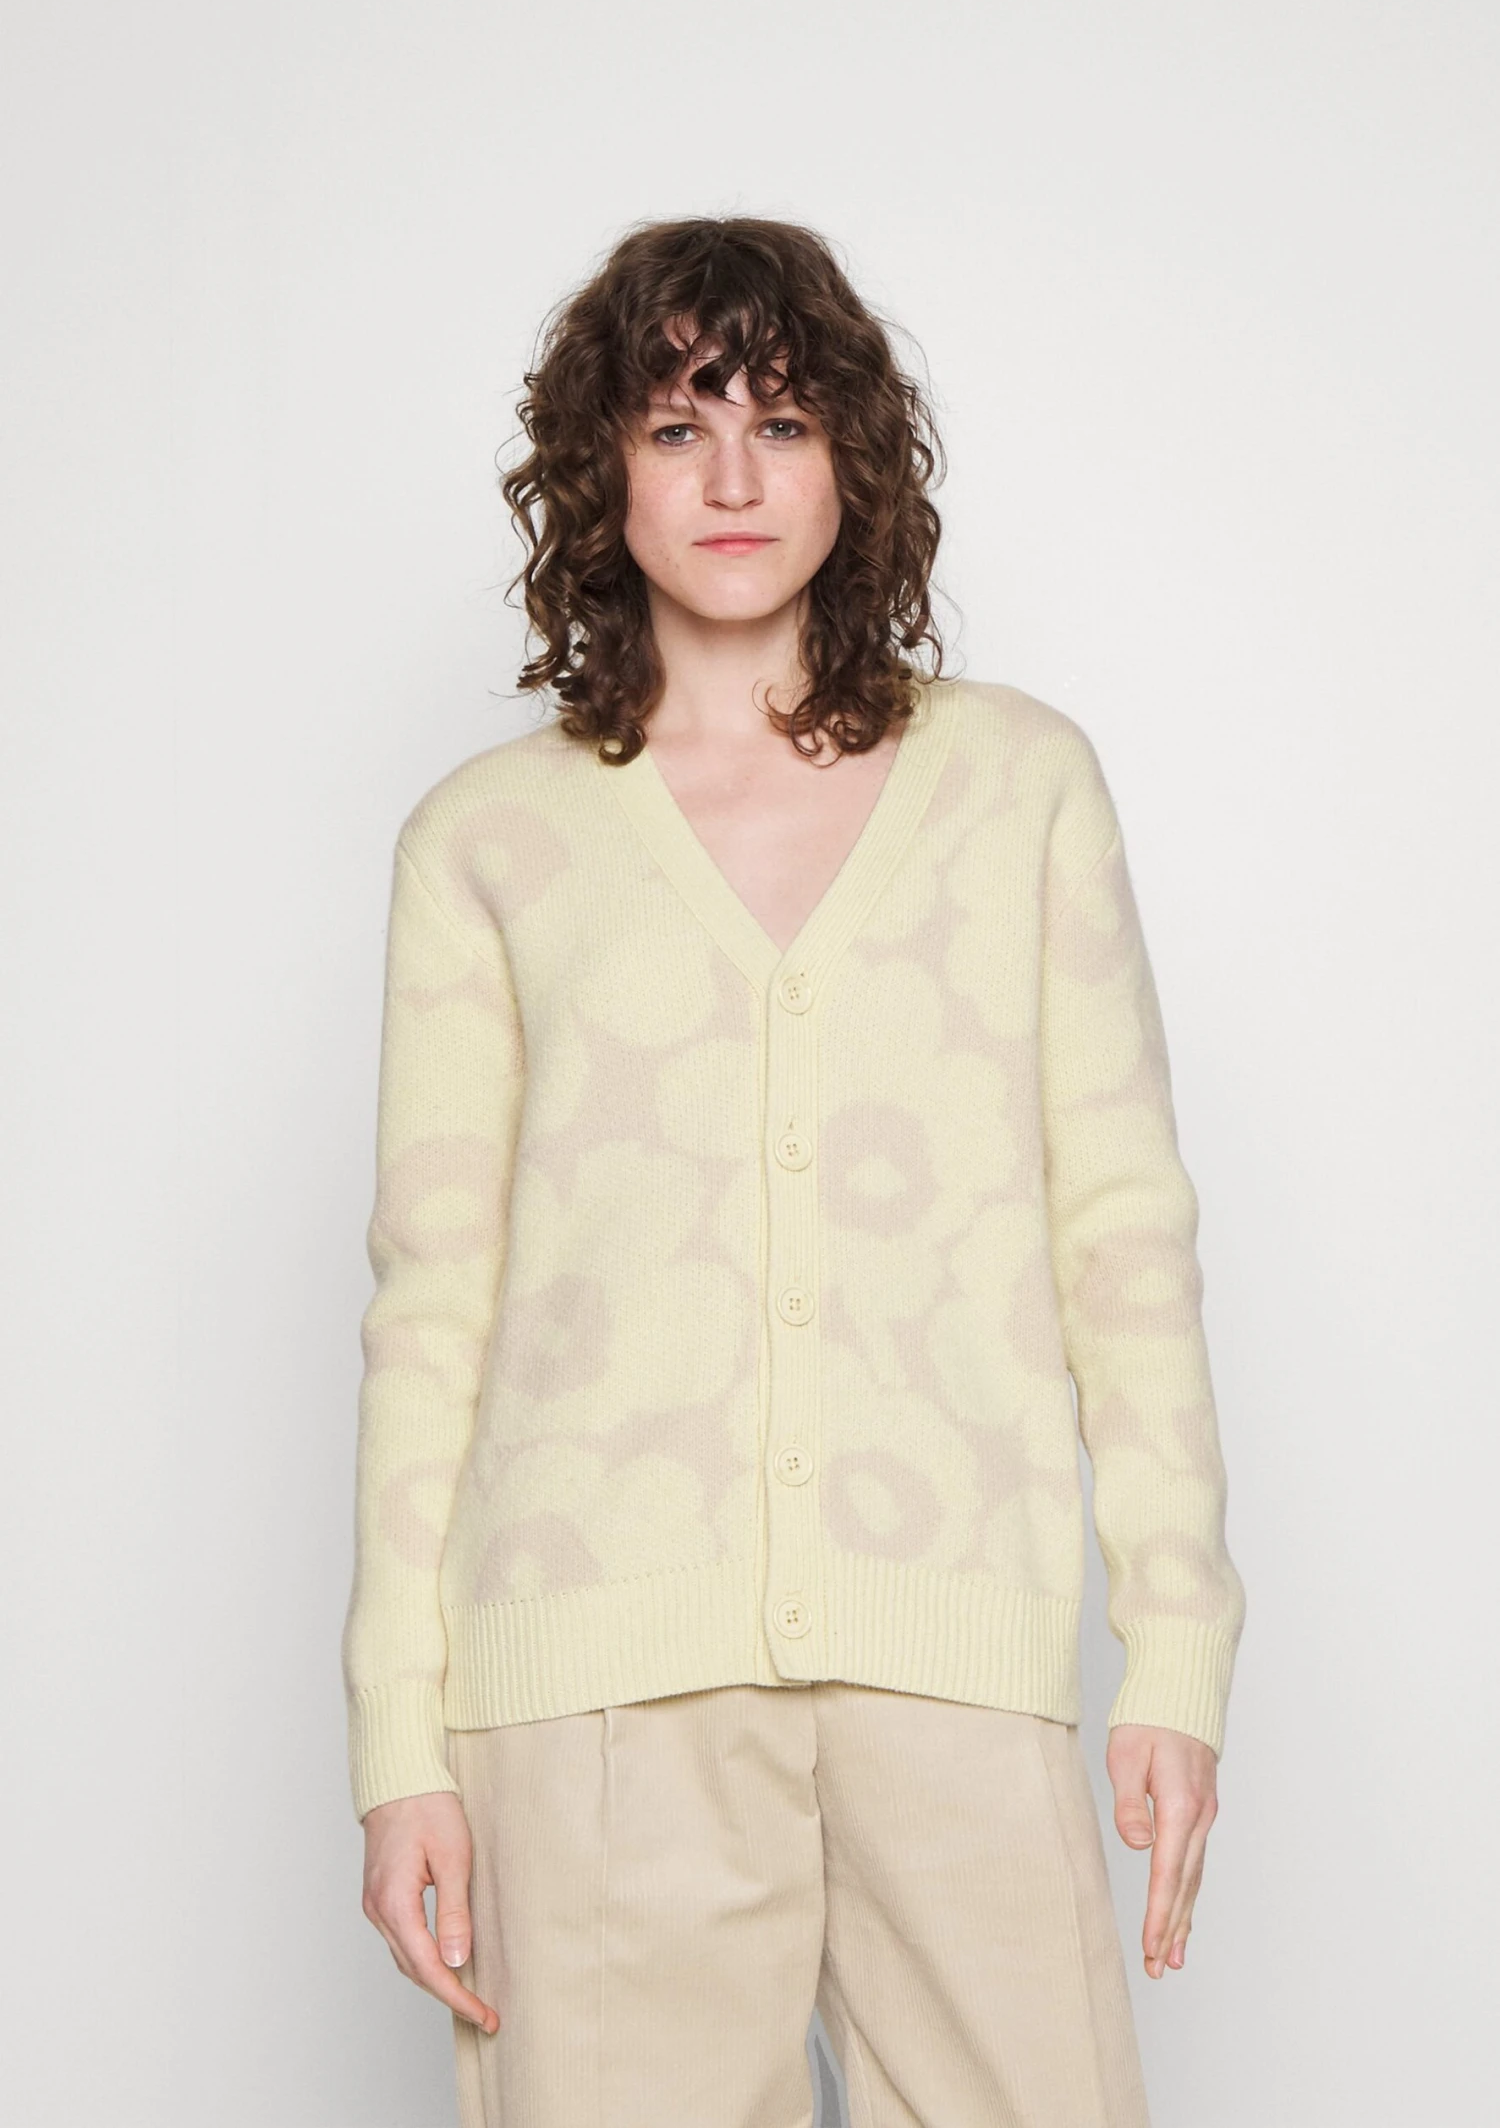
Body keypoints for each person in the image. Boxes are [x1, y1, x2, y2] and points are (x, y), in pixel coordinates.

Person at [341, 215, 1246, 2128]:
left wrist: (1175, 1648)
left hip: (954, 1656)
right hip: (592, 1697)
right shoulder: (487, 844)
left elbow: (1124, 1237)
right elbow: (431, 1309)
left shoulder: (1020, 789)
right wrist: (398, 1739)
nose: (735, 478)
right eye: (677, 427)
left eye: (781, 420)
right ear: (603, 477)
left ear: (856, 459)